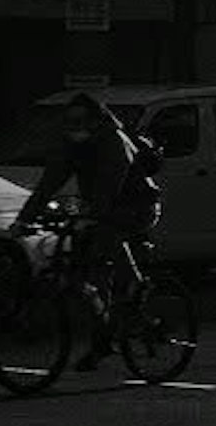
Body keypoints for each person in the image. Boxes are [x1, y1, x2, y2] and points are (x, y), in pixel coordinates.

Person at [10, 90, 156, 365]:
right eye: (71, 122)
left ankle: (137, 290)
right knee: (84, 276)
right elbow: (48, 183)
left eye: (81, 121)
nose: (76, 128)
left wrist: (92, 215)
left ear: (96, 120)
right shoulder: (71, 146)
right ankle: (104, 334)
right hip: (101, 209)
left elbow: (109, 185)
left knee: (108, 238)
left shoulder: (114, 141)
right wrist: (24, 219)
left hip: (136, 206)